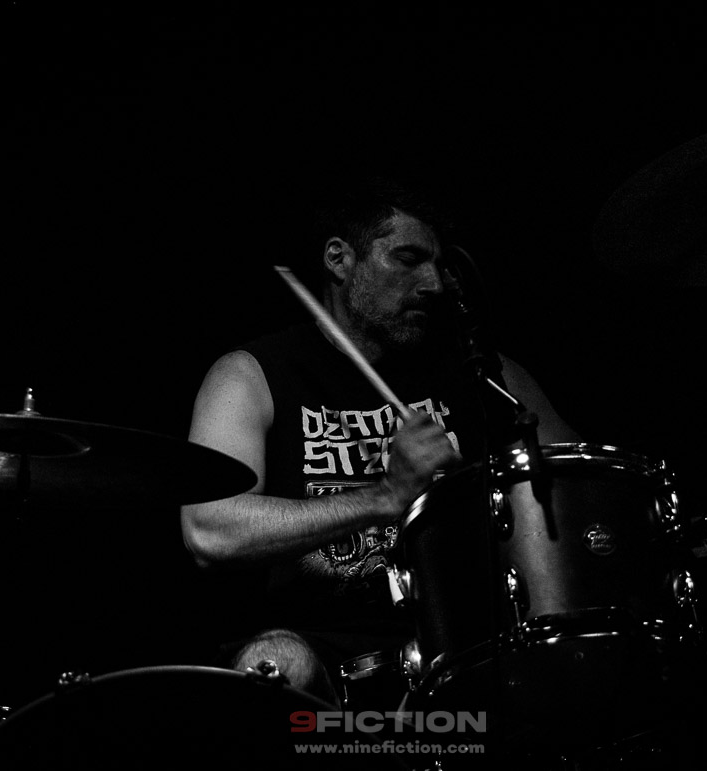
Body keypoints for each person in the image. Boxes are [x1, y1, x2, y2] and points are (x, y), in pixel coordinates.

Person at [179, 175, 580, 710]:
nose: (433, 283)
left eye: (439, 265)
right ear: (339, 259)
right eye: (408, 259)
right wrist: (386, 496)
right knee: (274, 663)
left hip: (474, 634)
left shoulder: (485, 376)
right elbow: (209, 530)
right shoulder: (252, 375)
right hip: (321, 642)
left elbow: (587, 490)